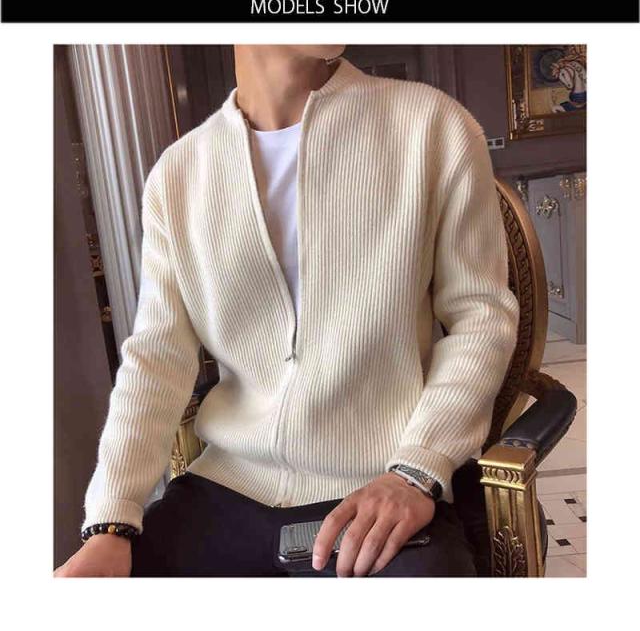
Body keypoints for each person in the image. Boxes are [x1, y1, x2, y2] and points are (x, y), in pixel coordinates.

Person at [54, 44, 519, 578]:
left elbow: (480, 317)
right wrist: (110, 521)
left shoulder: (431, 126)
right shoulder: (178, 174)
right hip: (225, 488)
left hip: (383, 483)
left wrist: (416, 471)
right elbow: (156, 359)